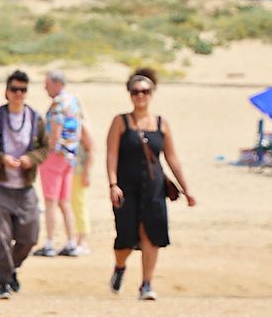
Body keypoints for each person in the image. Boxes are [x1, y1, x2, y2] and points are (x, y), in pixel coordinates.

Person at [105, 67, 196, 301]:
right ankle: (120, 266)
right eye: (135, 91)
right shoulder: (120, 122)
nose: (140, 96)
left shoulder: (161, 123)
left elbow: (172, 158)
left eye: (145, 91)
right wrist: (113, 184)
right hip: (126, 186)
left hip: (154, 186)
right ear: (130, 94)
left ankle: (146, 283)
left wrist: (187, 189)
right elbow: (112, 155)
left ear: (152, 92)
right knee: (125, 238)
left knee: (151, 234)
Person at [0, 70, 50, 300]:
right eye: (14, 89)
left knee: (29, 237)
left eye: (22, 90)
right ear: (6, 91)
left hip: (25, 186)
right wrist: (1, 157)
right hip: (0, 185)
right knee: (2, 237)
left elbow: (45, 148)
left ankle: (11, 269)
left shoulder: (35, 118)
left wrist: (29, 159)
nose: (18, 94)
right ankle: (3, 281)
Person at [36, 69, 85, 257]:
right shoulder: (73, 102)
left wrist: (46, 152)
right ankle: (71, 241)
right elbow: (78, 131)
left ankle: (49, 242)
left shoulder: (57, 104)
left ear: (57, 83)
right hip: (69, 156)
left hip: (55, 156)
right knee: (64, 201)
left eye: (47, 83)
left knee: (50, 200)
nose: (45, 87)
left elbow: (55, 134)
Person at [70, 118, 96, 256]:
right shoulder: (69, 123)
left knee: (79, 205)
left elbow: (91, 149)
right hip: (69, 171)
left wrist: (87, 172)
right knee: (70, 206)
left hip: (79, 171)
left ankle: (83, 240)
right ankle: (73, 239)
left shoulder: (82, 125)